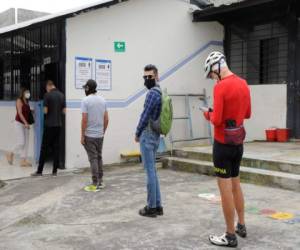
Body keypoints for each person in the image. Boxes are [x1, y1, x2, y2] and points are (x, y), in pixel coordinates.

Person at [201, 51, 251, 248]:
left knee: (225, 192)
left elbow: (217, 120)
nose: (212, 78)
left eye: (211, 74)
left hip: (222, 146)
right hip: (238, 144)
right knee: (236, 185)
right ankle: (241, 225)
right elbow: (247, 113)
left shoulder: (221, 87)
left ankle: (230, 235)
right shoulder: (244, 83)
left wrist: (208, 114)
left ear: (216, 67)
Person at [135, 64, 163, 218]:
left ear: (156, 76)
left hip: (147, 134)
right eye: (145, 77)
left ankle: (151, 207)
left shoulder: (152, 93)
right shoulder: (160, 92)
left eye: (150, 77)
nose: (147, 79)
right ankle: (158, 205)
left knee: (150, 172)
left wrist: (137, 132)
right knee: (153, 171)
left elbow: (145, 115)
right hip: (155, 135)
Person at [31, 80, 65, 177]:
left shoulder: (47, 95)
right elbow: (64, 111)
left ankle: (39, 171)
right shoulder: (62, 95)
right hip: (58, 125)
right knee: (56, 147)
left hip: (49, 125)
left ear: (48, 86)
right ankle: (54, 172)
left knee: (44, 148)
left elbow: (45, 111)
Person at [81, 79, 109, 191]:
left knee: (93, 158)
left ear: (88, 88)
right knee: (99, 157)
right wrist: (102, 132)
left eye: (85, 88)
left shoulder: (85, 101)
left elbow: (84, 120)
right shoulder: (103, 100)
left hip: (89, 135)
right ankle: (100, 181)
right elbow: (106, 119)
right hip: (99, 135)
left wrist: (82, 135)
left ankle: (95, 183)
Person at [6, 87, 33, 167]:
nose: (28, 93)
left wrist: (32, 111)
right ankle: (10, 153)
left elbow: (26, 111)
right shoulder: (19, 100)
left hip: (26, 124)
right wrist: (25, 123)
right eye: (27, 92)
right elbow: (20, 113)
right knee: (21, 142)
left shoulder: (27, 101)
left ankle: (23, 161)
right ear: (23, 93)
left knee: (26, 143)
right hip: (19, 123)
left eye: (28, 92)